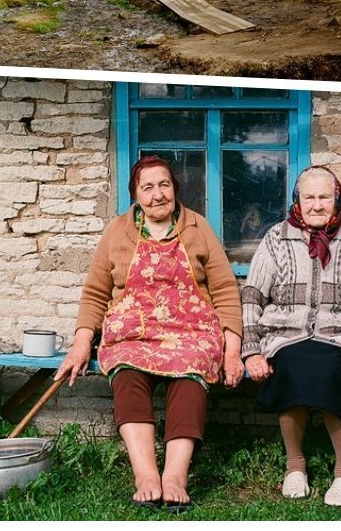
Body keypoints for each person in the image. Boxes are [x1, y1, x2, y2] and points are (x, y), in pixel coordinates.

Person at [55, 155, 243, 513]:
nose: (158, 195)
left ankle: (174, 477)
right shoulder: (118, 231)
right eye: (148, 187)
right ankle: (145, 476)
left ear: (174, 189)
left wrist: (231, 350)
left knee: (191, 374)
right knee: (125, 372)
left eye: (164, 185)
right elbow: (95, 292)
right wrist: (82, 344)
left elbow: (225, 291)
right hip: (133, 334)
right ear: (135, 195)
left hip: (191, 333)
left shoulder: (197, 227)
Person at [241, 166, 341, 507]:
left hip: (340, 337)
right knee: (290, 365)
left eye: (324, 197)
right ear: (297, 202)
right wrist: (252, 351)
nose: (317, 205)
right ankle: (295, 465)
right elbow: (252, 298)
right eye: (309, 197)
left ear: (337, 199)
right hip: (286, 336)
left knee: (331, 368)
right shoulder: (276, 239)